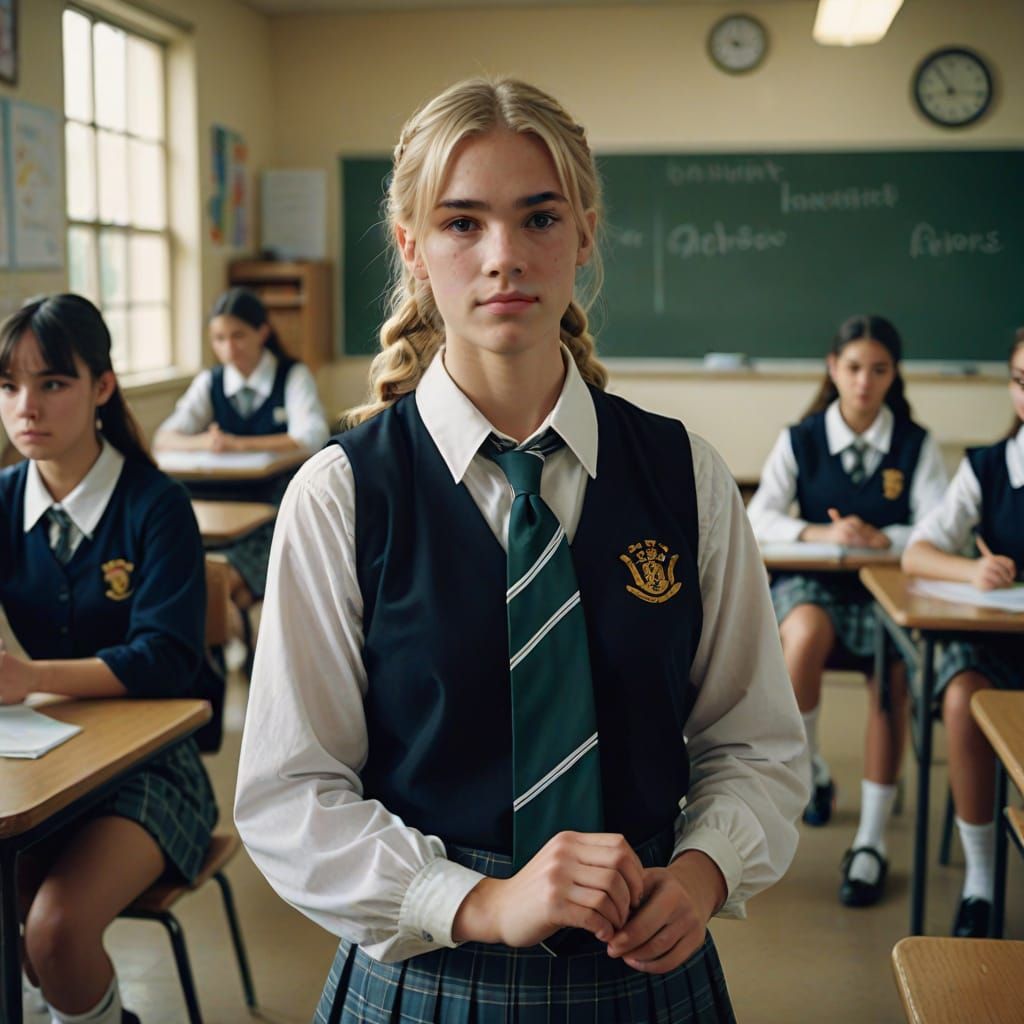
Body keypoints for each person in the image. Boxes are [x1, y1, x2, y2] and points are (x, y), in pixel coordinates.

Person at [234, 78, 806, 1023]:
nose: (504, 257)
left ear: (583, 233)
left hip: (648, 970)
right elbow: (292, 792)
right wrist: (478, 901)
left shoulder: (685, 476)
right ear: (413, 249)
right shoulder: (341, 496)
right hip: (430, 969)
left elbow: (757, 742)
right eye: (462, 224)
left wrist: (704, 873)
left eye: (538, 218)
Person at [0, 294, 218, 1024]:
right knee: (23, 933)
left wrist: (31, 679)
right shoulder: (2, 500)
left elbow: (167, 659)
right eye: (8, 387)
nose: (26, 406)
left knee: (54, 931)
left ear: (102, 386)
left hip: (153, 768)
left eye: (52, 383)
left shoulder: (155, 506)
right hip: (44, 762)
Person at [747, 315, 948, 908]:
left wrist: (880, 538)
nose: (864, 382)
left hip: (885, 590)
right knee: (802, 634)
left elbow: (938, 530)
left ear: (894, 375)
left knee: (891, 679)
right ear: (834, 369)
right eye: (853, 368)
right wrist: (819, 534)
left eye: (878, 370)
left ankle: (870, 842)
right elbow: (759, 518)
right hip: (812, 586)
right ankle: (810, 772)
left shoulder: (916, 443)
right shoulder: (801, 438)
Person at [902, 330, 1024, 938]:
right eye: (1022, 380)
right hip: (999, 644)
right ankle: (981, 881)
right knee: (961, 697)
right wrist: (972, 569)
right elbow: (918, 553)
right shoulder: (990, 465)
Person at [154, 287, 329, 628]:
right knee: (177, 512)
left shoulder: (292, 375)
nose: (228, 348)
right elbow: (165, 437)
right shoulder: (211, 381)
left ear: (262, 332)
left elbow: (312, 437)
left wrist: (239, 445)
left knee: (282, 524)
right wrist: (205, 442)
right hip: (219, 491)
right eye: (219, 338)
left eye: (238, 336)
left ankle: (231, 588)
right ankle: (231, 600)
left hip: (270, 491)